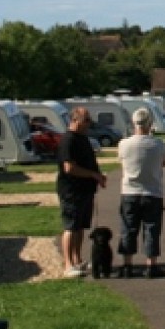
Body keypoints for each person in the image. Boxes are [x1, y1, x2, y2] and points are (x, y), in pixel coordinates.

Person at [116, 107, 165, 279]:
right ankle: (151, 265)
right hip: (152, 192)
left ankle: (127, 265)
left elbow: (121, 162)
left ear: (133, 123)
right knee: (151, 229)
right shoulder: (158, 144)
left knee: (128, 229)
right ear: (150, 124)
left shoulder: (124, 144)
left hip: (130, 191)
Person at [57, 107, 106, 278]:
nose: (88, 124)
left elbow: (90, 161)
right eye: (86, 120)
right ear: (75, 120)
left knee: (81, 227)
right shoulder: (67, 140)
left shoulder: (83, 139)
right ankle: (68, 264)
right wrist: (92, 174)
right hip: (71, 190)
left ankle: (78, 260)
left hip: (86, 189)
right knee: (70, 226)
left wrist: (98, 176)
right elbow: (69, 168)